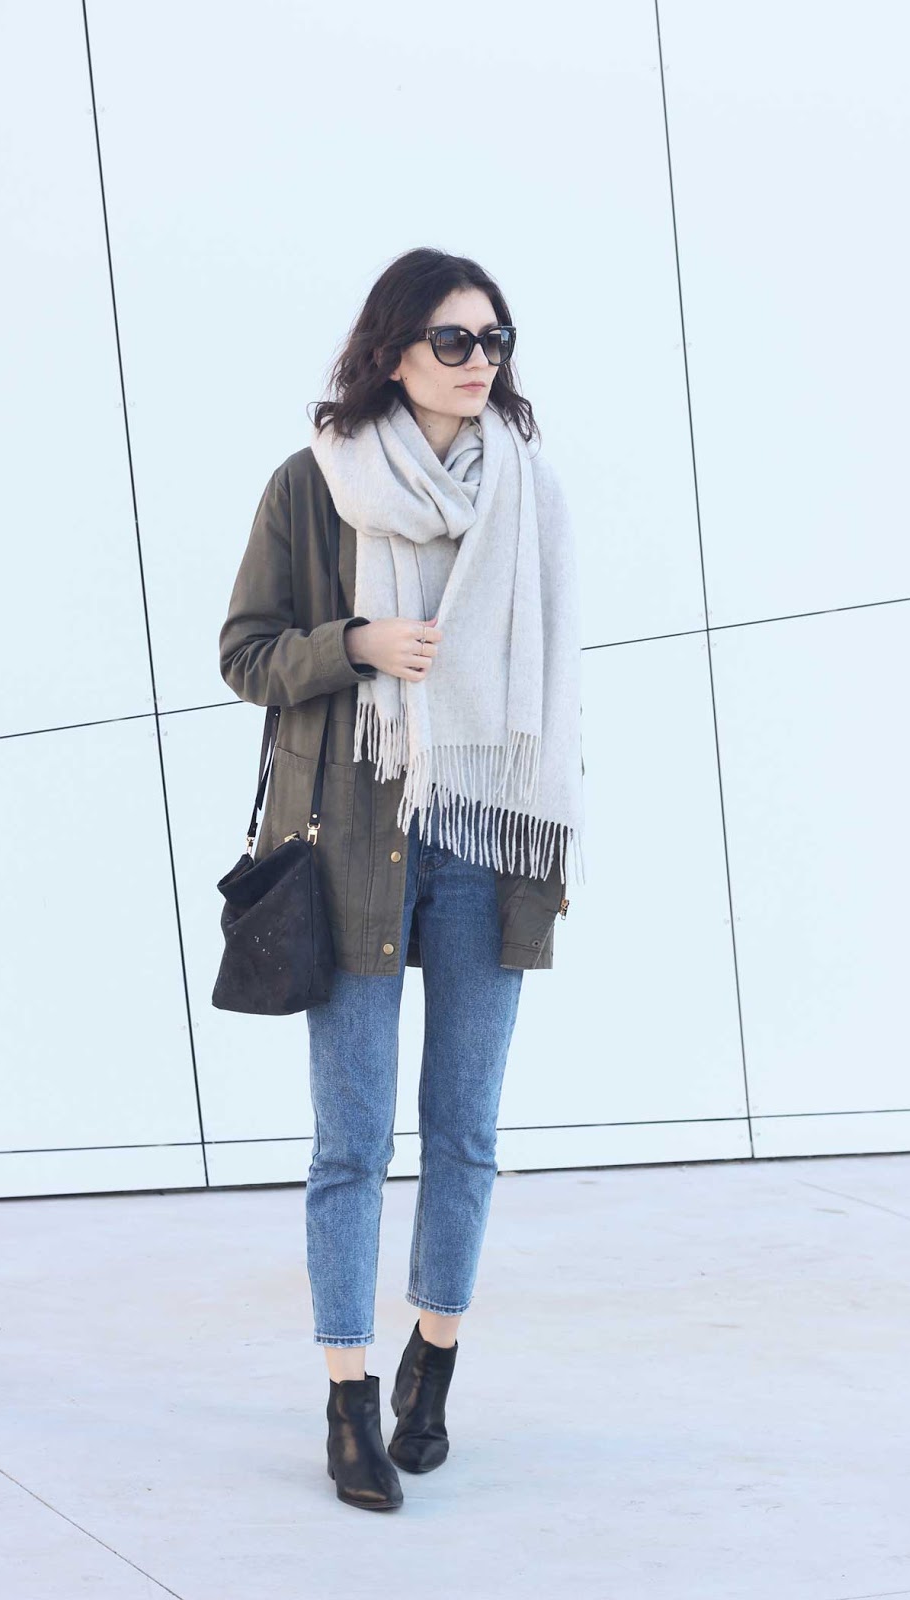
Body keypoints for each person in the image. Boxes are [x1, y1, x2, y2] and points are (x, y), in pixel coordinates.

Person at [219, 246, 585, 1512]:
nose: (479, 360)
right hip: (351, 838)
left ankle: (433, 1360)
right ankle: (346, 1396)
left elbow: (553, 678)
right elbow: (245, 654)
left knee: (466, 1129)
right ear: (392, 350)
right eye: (452, 339)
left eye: (494, 339)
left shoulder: (524, 491)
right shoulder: (313, 484)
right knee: (353, 1139)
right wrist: (357, 643)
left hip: (488, 830)